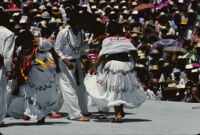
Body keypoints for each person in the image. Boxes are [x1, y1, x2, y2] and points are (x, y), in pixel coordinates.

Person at [85, 22, 147, 122]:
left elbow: (102, 55)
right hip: (126, 66)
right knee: (120, 89)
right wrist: (133, 63)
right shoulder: (126, 40)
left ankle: (118, 114)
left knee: (114, 90)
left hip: (114, 66)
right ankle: (120, 111)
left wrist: (94, 67)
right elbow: (134, 52)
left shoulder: (107, 40)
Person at [54, 11, 89, 121]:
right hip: (65, 63)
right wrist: (66, 61)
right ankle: (75, 115)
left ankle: (83, 111)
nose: (81, 27)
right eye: (79, 24)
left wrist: (90, 47)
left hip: (76, 62)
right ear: (74, 24)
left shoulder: (80, 34)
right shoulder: (63, 33)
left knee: (81, 88)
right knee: (70, 88)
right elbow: (57, 49)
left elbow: (81, 47)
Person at [0, 7, 15, 127]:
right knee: (0, 94)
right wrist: (9, 69)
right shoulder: (8, 34)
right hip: (0, 66)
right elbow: (7, 54)